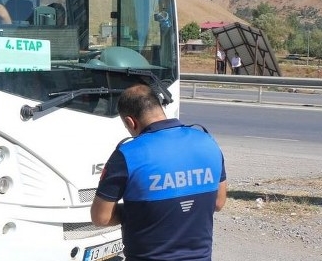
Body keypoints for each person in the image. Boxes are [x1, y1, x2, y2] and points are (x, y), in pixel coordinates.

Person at [90, 83, 228, 261]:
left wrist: (134, 212)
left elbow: (100, 217)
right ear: (160, 108)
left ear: (130, 122)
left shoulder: (126, 154)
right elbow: (218, 202)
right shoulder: (208, 142)